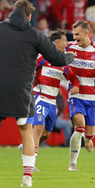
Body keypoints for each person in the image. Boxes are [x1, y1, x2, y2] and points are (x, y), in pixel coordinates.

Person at [0, 0, 75, 187]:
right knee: (26, 132)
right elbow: (56, 58)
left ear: (12, 12)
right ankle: (27, 178)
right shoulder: (35, 35)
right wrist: (70, 56)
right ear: (29, 16)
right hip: (23, 90)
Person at [32, 29, 79, 171]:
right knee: (38, 128)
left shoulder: (62, 61)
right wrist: (30, 70)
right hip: (39, 96)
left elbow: (72, 77)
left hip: (52, 101)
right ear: (57, 43)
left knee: (46, 133)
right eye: (65, 40)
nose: (67, 42)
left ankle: (27, 146)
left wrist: (76, 85)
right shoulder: (42, 57)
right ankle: (31, 162)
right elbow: (28, 63)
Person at [66, 20, 95, 171]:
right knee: (79, 127)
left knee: (89, 135)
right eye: (73, 34)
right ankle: (73, 163)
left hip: (92, 97)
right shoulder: (70, 48)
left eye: (77, 34)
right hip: (76, 95)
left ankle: (88, 139)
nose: (74, 37)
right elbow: (65, 68)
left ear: (86, 33)